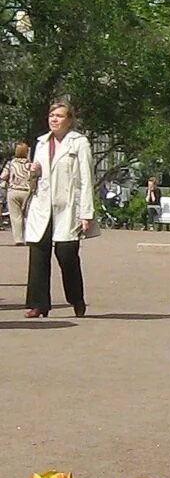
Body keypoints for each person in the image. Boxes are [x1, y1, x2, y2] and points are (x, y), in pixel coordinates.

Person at [23, 102, 95, 318]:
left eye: (60, 116)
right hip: (42, 205)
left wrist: (86, 213)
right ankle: (39, 304)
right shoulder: (41, 143)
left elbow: (86, 179)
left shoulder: (79, 143)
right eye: (51, 115)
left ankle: (76, 298)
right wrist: (33, 171)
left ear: (69, 120)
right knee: (38, 252)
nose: (54, 119)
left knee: (66, 254)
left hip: (68, 206)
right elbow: (36, 176)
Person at [1, 142, 35, 245]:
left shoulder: (10, 163)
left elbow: (3, 176)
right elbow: (34, 177)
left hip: (13, 191)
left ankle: (19, 239)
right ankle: (29, 237)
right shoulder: (30, 164)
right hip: (27, 191)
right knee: (28, 216)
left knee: (16, 216)